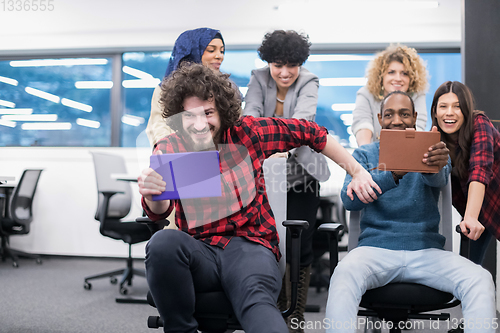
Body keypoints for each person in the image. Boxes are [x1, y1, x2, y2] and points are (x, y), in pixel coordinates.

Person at [138, 63, 381, 333]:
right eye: (189, 116)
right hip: (200, 252)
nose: (199, 124)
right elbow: (159, 212)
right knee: (163, 241)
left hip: (250, 247)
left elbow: (314, 133)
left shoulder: (248, 133)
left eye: (208, 113)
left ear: (221, 109)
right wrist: (153, 195)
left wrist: (357, 171)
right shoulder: (171, 148)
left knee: (256, 304)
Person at [325, 91, 496, 333]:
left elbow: (437, 179)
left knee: (480, 279)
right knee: (343, 273)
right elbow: (350, 201)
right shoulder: (363, 155)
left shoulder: (436, 151)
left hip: (426, 252)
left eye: (404, 114)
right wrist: (393, 175)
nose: (397, 120)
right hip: (375, 251)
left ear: (415, 117)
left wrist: (429, 165)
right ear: (379, 118)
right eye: (390, 114)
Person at [243, 29, 329, 331]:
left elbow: (303, 123)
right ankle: (276, 306)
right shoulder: (257, 78)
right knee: (270, 241)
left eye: (291, 65)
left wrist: (275, 145)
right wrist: (269, 148)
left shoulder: (309, 80)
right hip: (265, 174)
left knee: (300, 241)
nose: (284, 72)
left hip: (302, 172)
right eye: (277, 64)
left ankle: (296, 313)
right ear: (268, 62)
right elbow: (249, 116)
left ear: (300, 64)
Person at [431, 81, 500, 265]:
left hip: (490, 201)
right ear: (435, 112)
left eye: (457, 107)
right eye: (443, 106)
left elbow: (480, 167)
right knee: (467, 267)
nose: (449, 112)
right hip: (475, 211)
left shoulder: (479, 123)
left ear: (467, 111)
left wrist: (470, 216)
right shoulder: (434, 140)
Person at [146, 27, 226, 146]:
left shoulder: (225, 89)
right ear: (192, 52)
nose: (219, 56)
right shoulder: (166, 89)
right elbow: (159, 126)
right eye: (211, 50)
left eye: (222, 51)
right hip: (180, 154)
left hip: (222, 155)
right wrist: (168, 151)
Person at [352, 44, 428, 146]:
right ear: (381, 76)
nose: (398, 78)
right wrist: (367, 154)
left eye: (404, 73)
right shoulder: (366, 94)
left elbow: (418, 127)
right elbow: (362, 125)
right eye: (391, 72)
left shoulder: (417, 95)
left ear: (412, 78)